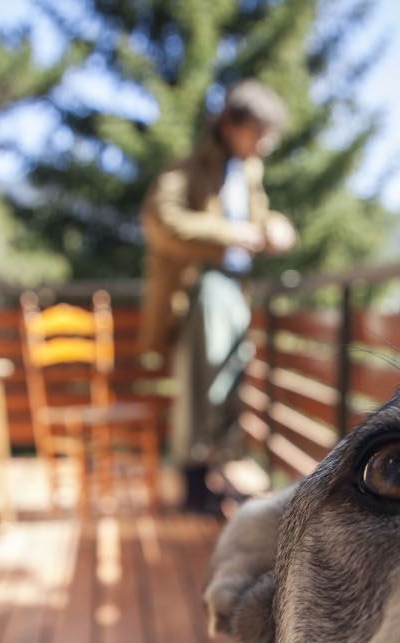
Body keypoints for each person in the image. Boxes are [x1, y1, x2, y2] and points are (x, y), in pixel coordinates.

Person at [141, 80, 297, 513]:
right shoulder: (187, 170)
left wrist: (278, 228)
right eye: (259, 133)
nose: (264, 145)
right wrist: (231, 234)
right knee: (202, 384)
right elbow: (162, 222)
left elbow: (261, 218)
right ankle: (193, 484)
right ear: (232, 125)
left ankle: (217, 476)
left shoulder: (247, 173)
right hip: (202, 288)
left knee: (231, 380)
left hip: (235, 288)